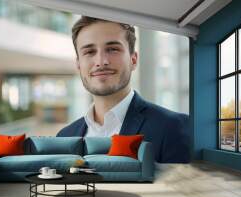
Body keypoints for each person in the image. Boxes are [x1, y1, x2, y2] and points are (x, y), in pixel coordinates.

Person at [57, 16, 190, 163]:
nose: (101, 62)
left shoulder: (173, 127)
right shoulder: (64, 137)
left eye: (113, 49)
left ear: (133, 60)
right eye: (89, 52)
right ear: (78, 65)